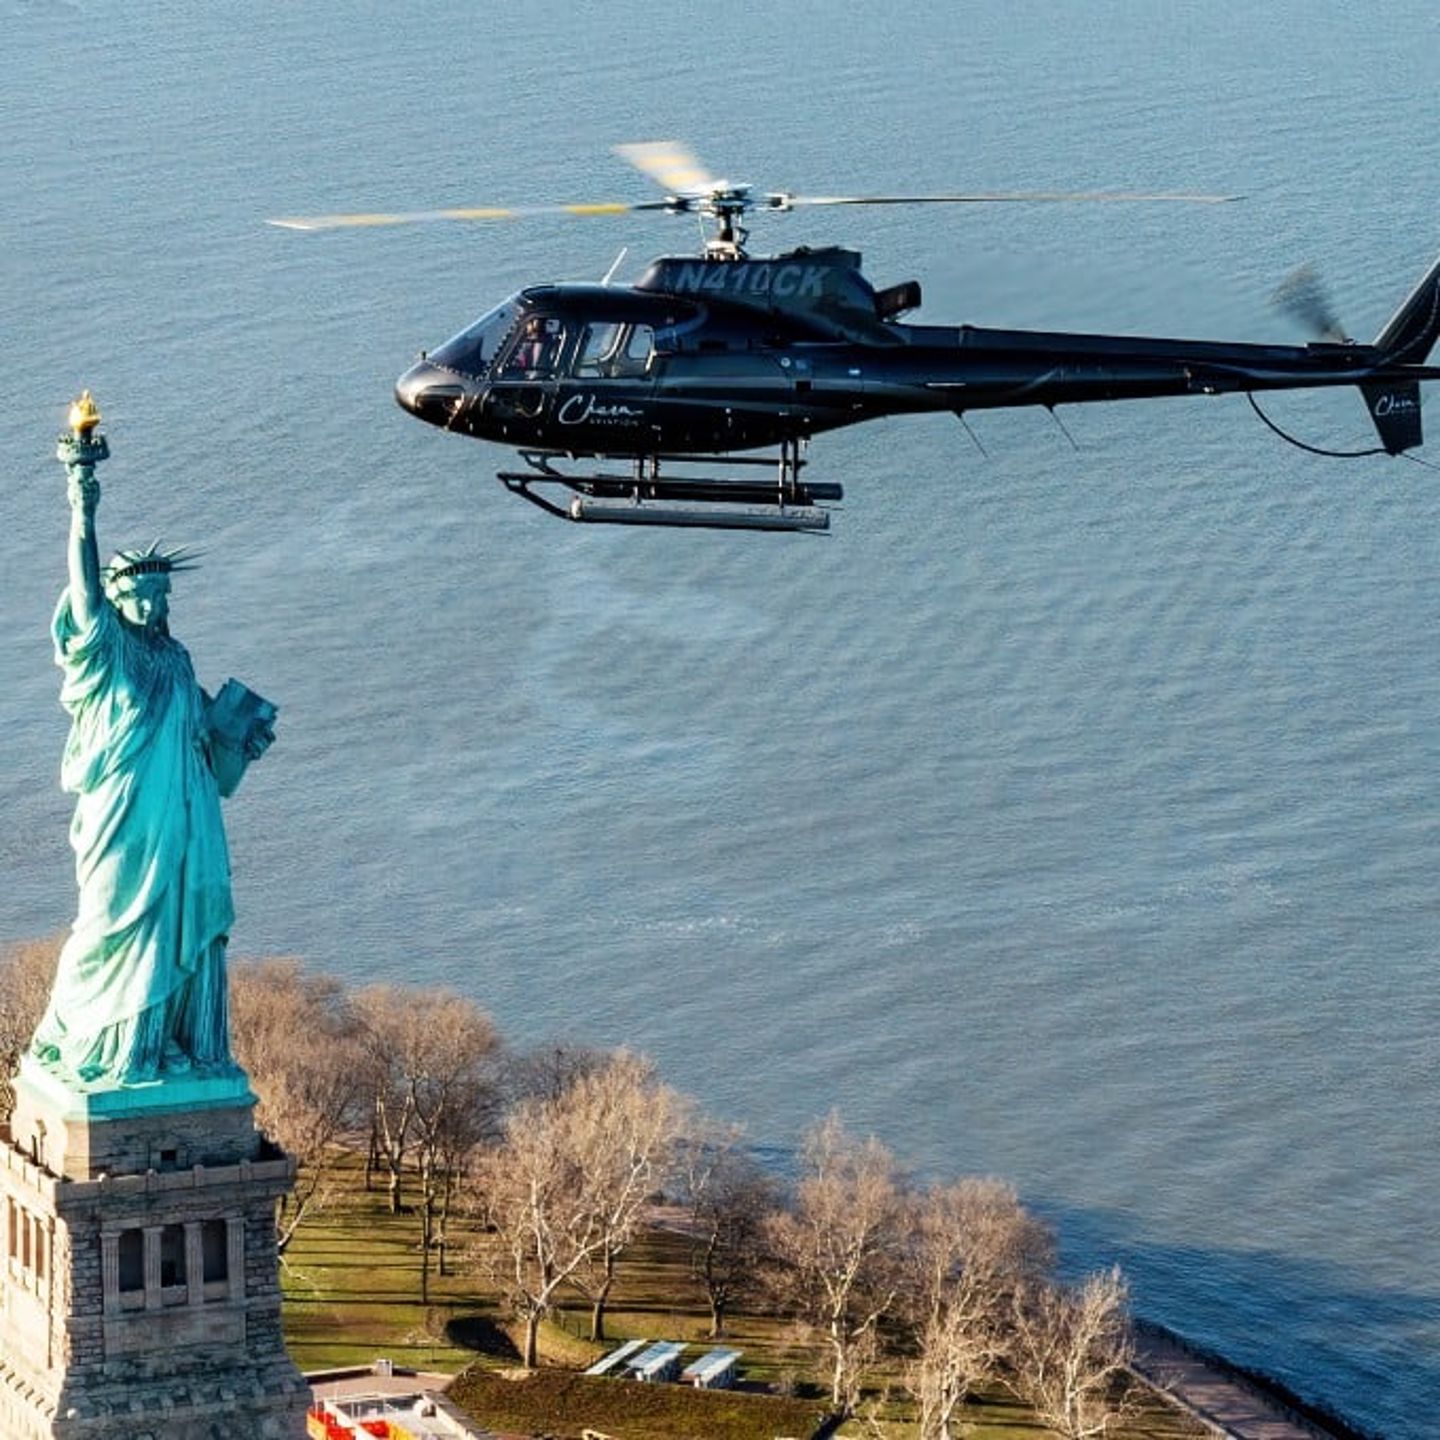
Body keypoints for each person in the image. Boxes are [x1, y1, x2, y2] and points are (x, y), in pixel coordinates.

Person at [30, 459, 274, 1086]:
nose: (151, 603)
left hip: (189, 820)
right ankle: (97, 1044)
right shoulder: (106, 653)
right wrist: (82, 506)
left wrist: (239, 739)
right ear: (115, 598)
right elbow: (84, 590)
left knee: (179, 929)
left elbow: (206, 752)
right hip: (125, 818)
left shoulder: (173, 656)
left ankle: (171, 1047)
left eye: (160, 596)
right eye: (138, 594)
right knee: (109, 925)